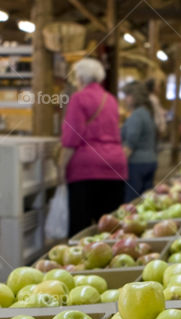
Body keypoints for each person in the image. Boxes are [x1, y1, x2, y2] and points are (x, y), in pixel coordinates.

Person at [60, 58, 127, 237]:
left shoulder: (78, 98)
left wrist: (61, 166)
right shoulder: (111, 99)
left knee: (80, 229)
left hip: (86, 169)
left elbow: (71, 137)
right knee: (110, 228)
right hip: (115, 166)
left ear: (80, 78)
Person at [121, 81, 158, 202]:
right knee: (146, 201)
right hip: (150, 160)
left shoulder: (136, 116)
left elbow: (130, 143)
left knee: (133, 201)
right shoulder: (147, 113)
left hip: (137, 164)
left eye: (127, 95)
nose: (125, 99)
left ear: (134, 97)